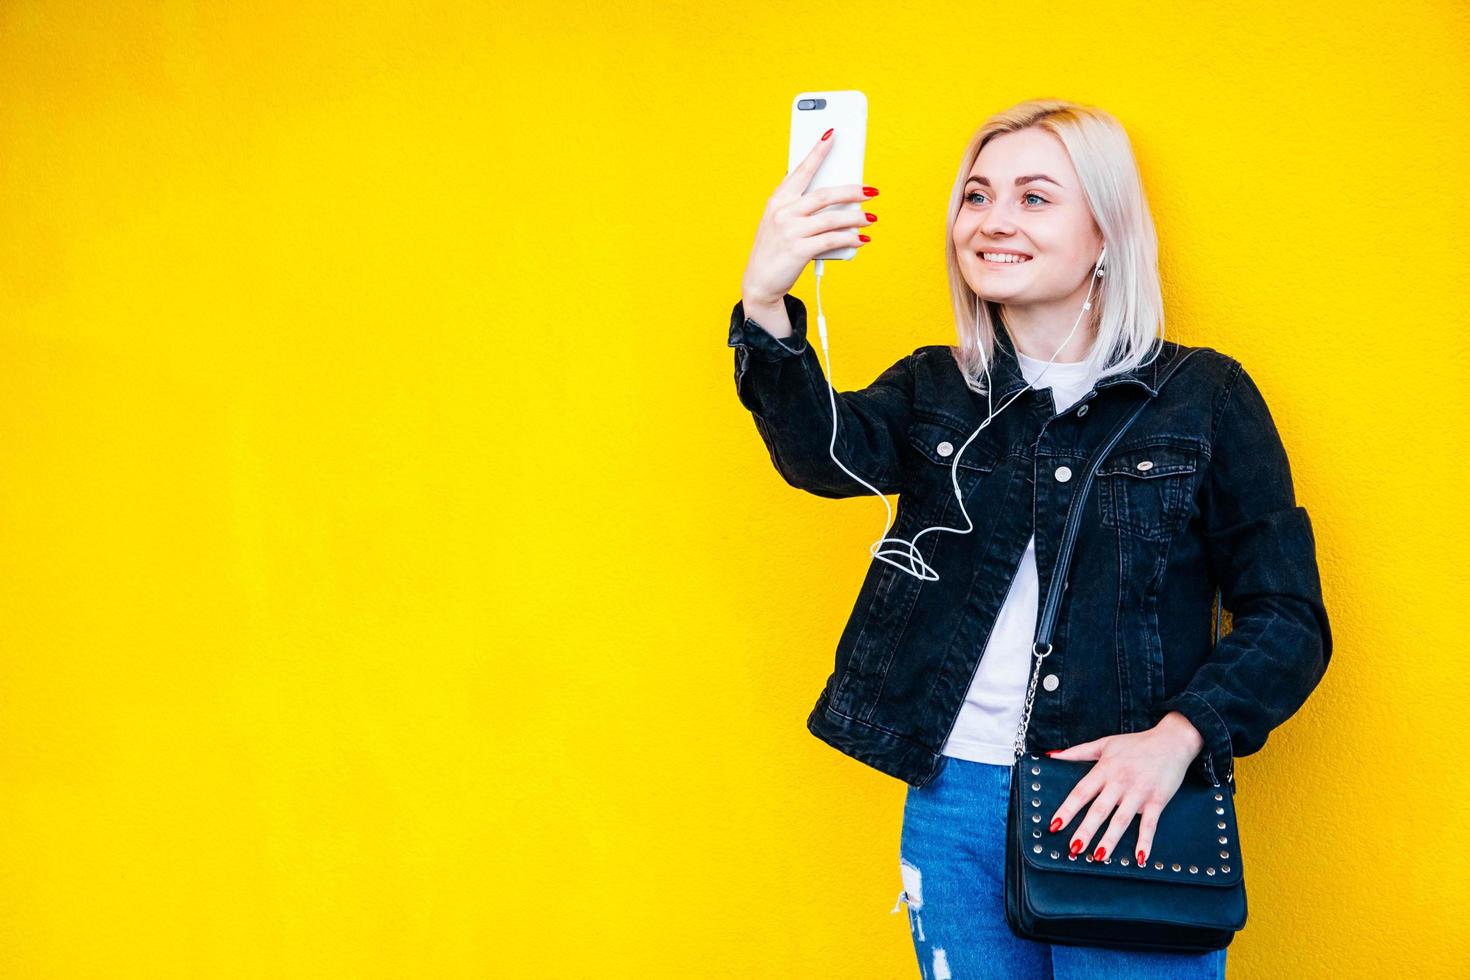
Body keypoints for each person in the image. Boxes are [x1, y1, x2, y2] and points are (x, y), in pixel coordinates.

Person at [727, 99, 1332, 979]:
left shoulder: (1203, 397)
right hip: (954, 800)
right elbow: (823, 458)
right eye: (976, 196)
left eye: (1034, 197)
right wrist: (765, 298)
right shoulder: (936, 386)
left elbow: (1288, 619)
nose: (993, 221)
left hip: (1122, 800)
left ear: (1106, 232)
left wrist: (1179, 738)